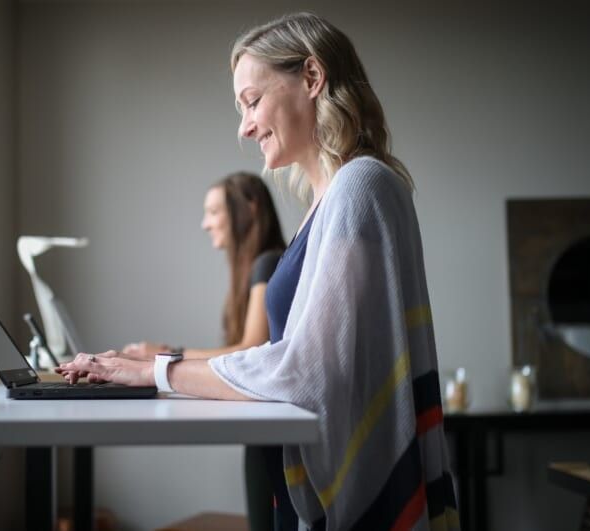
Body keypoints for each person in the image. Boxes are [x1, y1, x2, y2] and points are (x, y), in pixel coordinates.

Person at [58, 12, 459, 531]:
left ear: (312, 79)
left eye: (252, 101)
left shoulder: (360, 185)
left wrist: (157, 372)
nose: (244, 127)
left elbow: (307, 370)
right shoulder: (335, 198)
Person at [119, 172, 288, 531]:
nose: (204, 223)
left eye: (213, 211)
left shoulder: (269, 262)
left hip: (276, 436)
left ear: (249, 208)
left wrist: (164, 356)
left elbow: (251, 351)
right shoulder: (258, 266)